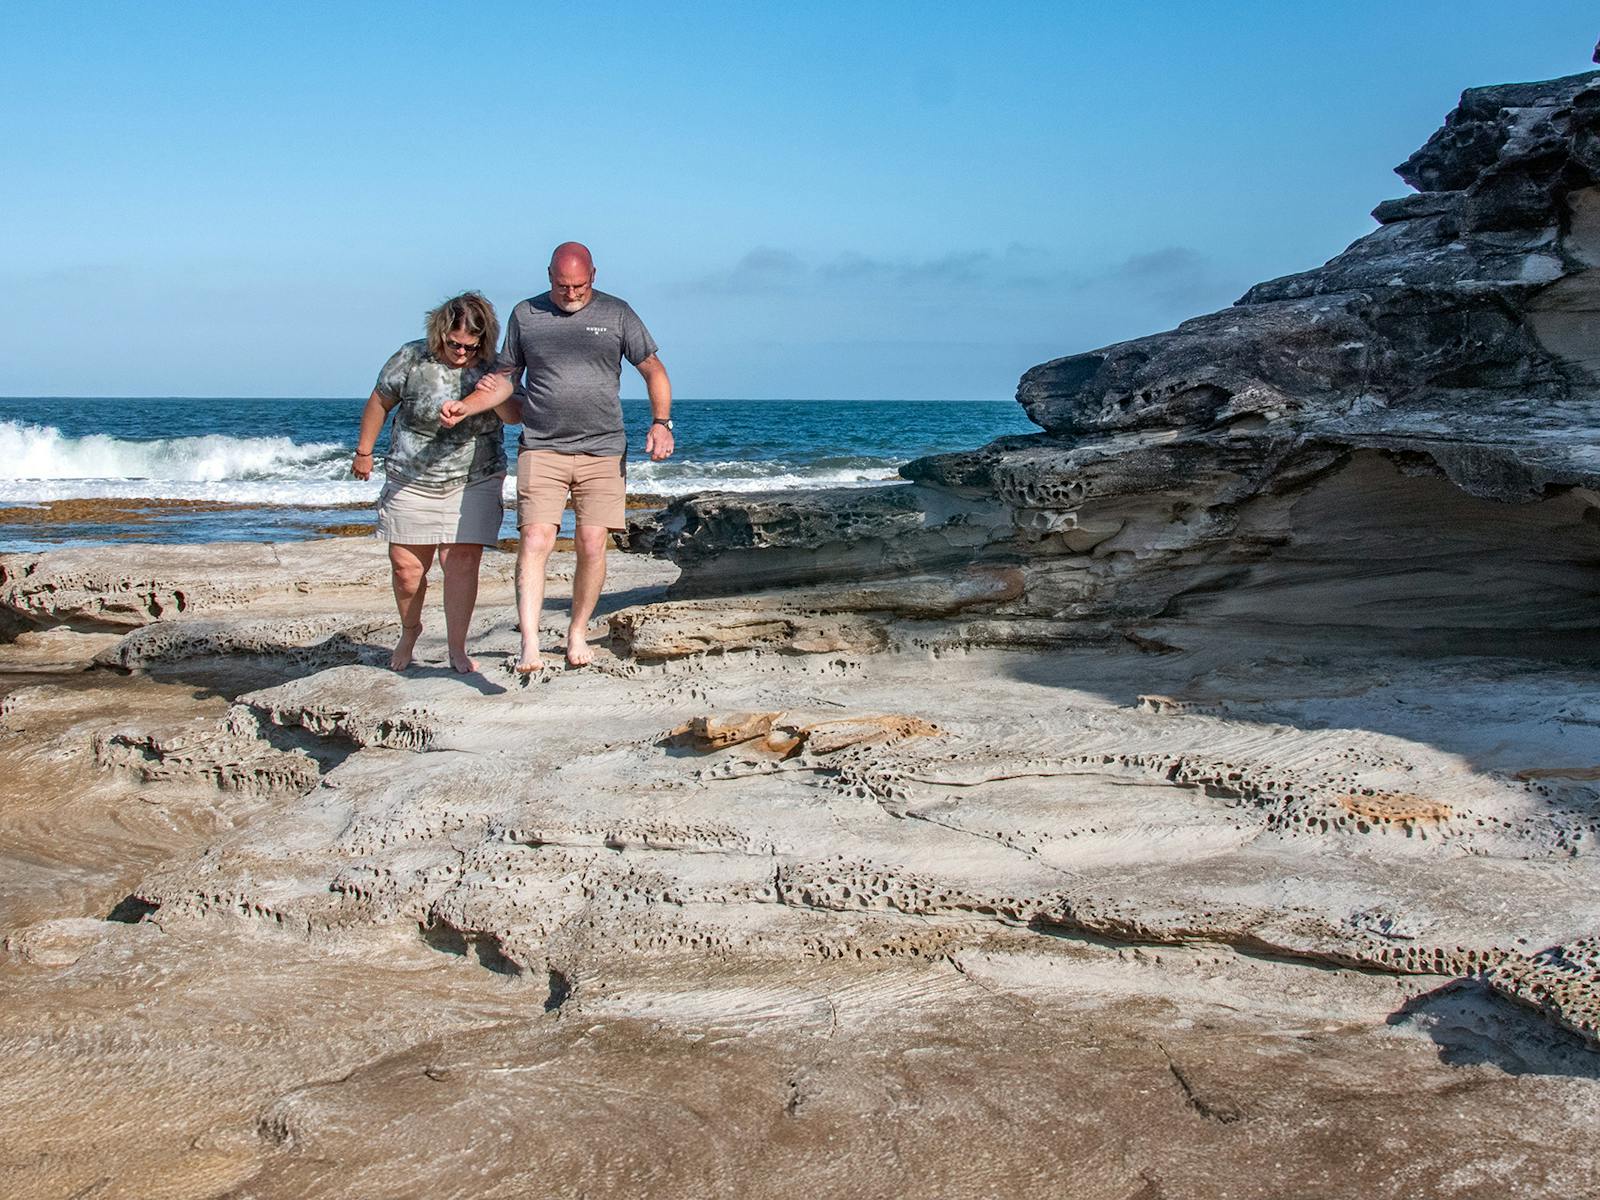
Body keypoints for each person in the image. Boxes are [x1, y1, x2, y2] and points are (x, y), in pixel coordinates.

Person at [441, 242, 673, 671]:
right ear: (549, 276)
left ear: (594, 276)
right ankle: (529, 642)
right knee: (534, 539)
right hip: (542, 445)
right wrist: (469, 405)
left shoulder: (618, 313)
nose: (571, 294)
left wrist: (662, 423)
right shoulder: (526, 314)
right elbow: (506, 379)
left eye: (579, 286)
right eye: (563, 286)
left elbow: (653, 368)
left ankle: (577, 632)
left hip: (603, 449)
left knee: (591, 542)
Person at [352, 291, 519, 673]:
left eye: (470, 346)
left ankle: (456, 648)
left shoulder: (493, 366)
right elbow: (380, 401)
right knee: (406, 570)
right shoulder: (411, 358)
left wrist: (492, 394)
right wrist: (364, 452)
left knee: (459, 562)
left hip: (474, 475)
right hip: (411, 474)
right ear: (440, 333)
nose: (461, 352)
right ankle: (410, 630)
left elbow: (513, 416)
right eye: (454, 344)